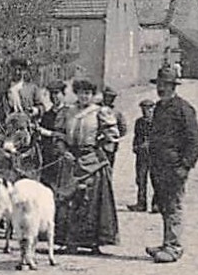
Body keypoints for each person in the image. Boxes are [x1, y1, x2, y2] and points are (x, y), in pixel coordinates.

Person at [147, 64, 198, 264]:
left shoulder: (183, 109)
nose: (161, 88)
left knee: (173, 206)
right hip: (159, 166)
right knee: (163, 204)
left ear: (174, 86)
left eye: (166, 85)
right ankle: (166, 243)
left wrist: (185, 166)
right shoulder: (159, 107)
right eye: (159, 84)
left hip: (174, 167)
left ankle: (174, 246)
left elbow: (195, 140)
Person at [60, 79, 120, 253]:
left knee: (92, 202)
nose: (84, 96)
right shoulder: (68, 112)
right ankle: (69, 242)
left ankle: (93, 243)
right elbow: (60, 135)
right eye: (81, 93)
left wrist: (99, 151)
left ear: (93, 96)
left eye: (88, 93)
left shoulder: (100, 113)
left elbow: (112, 136)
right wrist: (64, 151)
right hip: (71, 160)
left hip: (92, 161)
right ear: (76, 94)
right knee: (69, 201)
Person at [129, 99, 155, 212]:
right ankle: (141, 203)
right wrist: (135, 146)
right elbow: (136, 136)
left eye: (149, 108)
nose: (146, 110)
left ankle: (156, 204)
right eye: (144, 108)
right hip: (141, 154)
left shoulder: (157, 122)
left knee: (156, 179)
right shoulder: (139, 122)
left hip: (154, 154)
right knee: (140, 179)